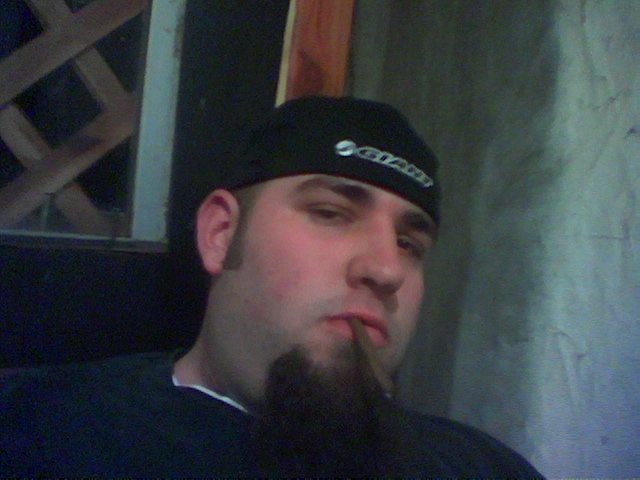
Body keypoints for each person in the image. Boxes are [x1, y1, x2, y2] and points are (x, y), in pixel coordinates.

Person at [1, 96, 543, 477]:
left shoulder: (482, 469)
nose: (387, 269)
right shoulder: (36, 432)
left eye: (410, 244)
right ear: (221, 234)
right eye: (331, 213)